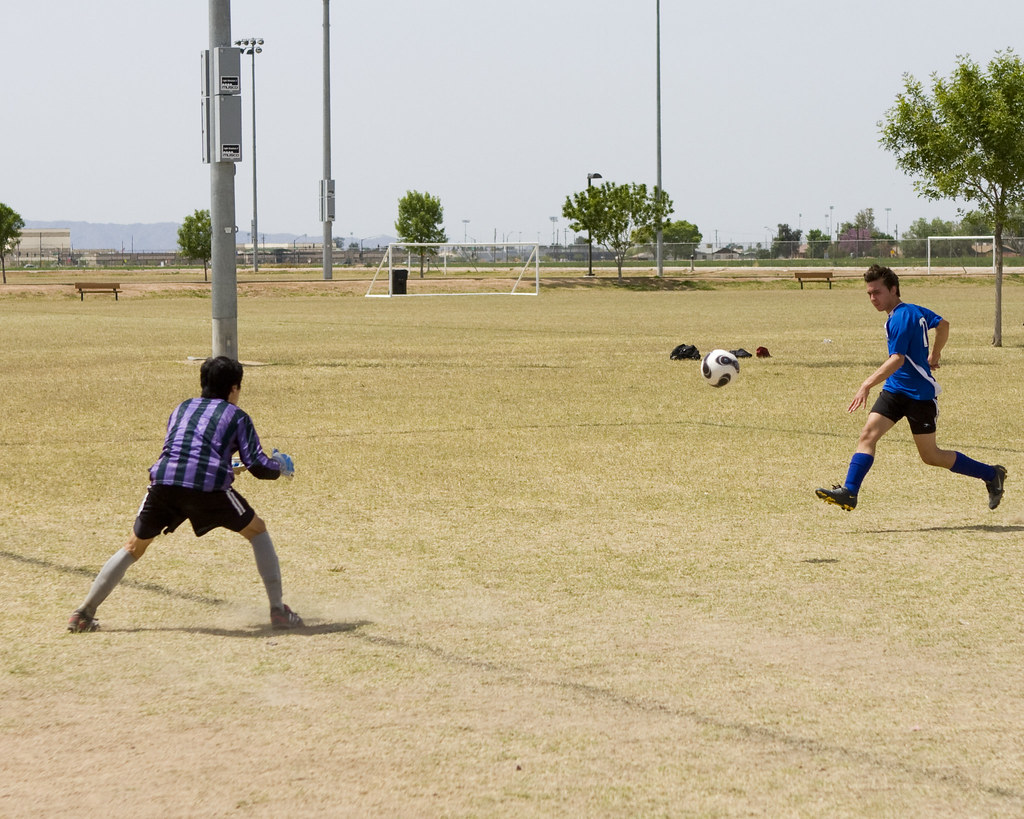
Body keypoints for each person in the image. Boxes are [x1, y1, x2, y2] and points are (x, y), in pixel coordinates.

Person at [68, 356, 303, 632]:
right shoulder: (237, 416)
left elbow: (187, 450)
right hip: (208, 489)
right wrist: (280, 467)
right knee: (257, 531)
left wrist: (227, 465)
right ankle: (278, 610)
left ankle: (83, 613)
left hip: (164, 483)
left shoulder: (181, 408)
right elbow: (259, 467)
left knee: (133, 547)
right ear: (234, 388)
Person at [816, 264, 1005, 511]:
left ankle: (992, 474)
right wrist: (935, 355)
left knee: (931, 456)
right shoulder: (911, 310)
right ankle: (850, 492)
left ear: (893, 289)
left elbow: (898, 359)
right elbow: (944, 324)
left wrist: (866, 384)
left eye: (878, 292)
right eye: (869, 294)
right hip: (895, 390)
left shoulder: (901, 317)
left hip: (919, 395)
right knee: (868, 435)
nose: (873, 298)